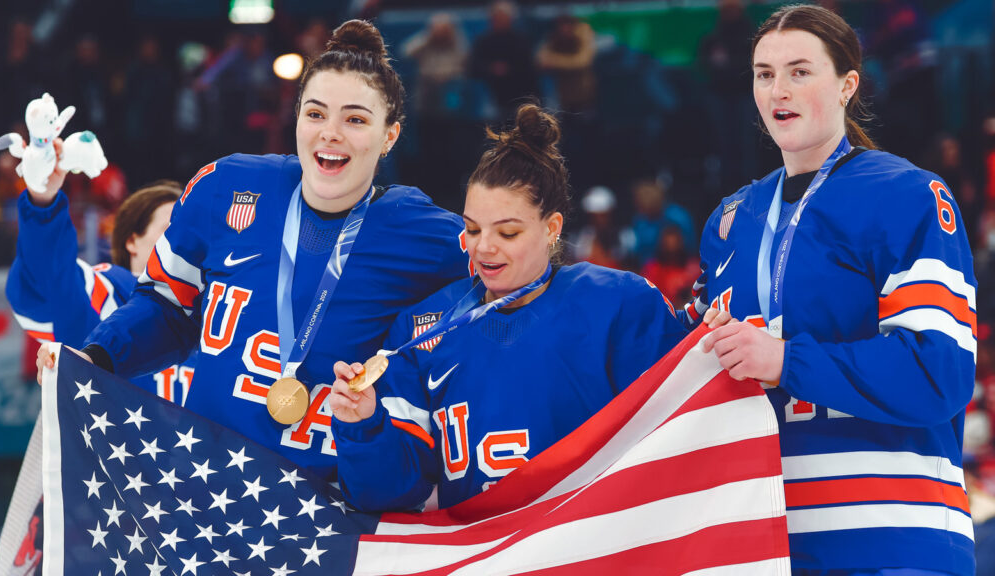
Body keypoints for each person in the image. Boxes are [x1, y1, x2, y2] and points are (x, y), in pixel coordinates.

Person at [37, 20, 471, 481]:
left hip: (324, 512)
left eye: (356, 120)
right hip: (205, 490)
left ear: (390, 136)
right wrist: (98, 356)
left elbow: (512, 275)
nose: (331, 133)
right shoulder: (225, 186)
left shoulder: (421, 230)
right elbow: (166, 306)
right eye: (316, 113)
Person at [688, 5, 976, 574]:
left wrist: (785, 359)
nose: (778, 90)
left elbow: (937, 371)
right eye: (763, 73)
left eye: (800, 71)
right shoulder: (730, 221)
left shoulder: (909, 195)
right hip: (765, 542)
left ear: (848, 85)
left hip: (894, 537)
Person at [329, 104, 686, 511]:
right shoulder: (420, 329)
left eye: (508, 232)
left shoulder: (618, 303)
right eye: (473, 228)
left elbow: (678, 444)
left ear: (551, 228)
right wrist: (365, 426)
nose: (484, 247)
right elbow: (392, 497)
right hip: (479, 559)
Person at [8, 161, 193, 403]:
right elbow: (46, 283)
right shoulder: (105, 289)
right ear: (132, 241)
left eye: (190, 234)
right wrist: (42, 203)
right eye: (169, 230)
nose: (184, 244)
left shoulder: (220, 312)